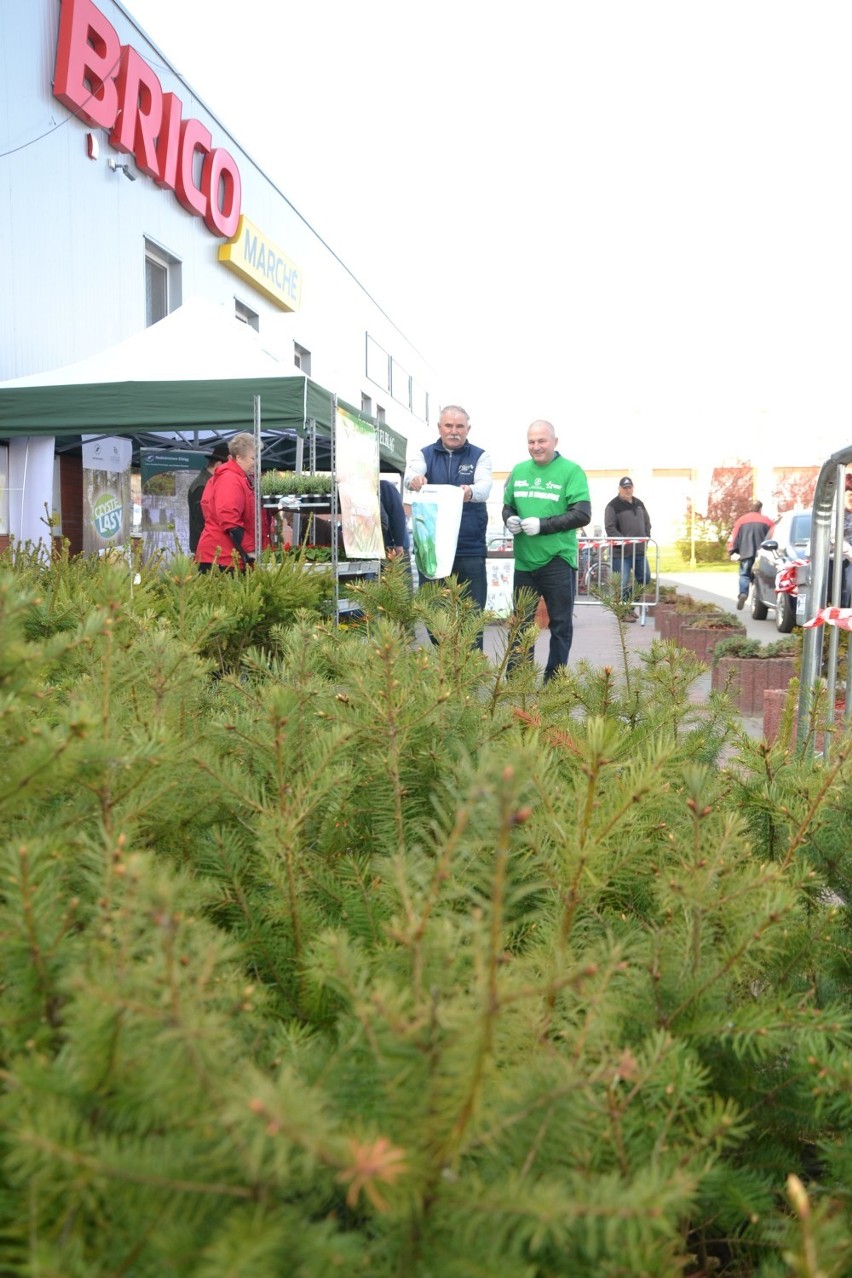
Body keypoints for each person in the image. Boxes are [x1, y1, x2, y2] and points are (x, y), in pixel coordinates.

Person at [502, 420, 591, 682]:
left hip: (557, 560)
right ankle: (518, 679)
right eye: (531, 441)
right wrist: (509, 518)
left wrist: (543, 525)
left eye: (541, 441)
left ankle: (553, 681)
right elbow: (509, 507)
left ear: (554, 441)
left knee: (560, 625)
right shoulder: (518, 471)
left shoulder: (571, 471)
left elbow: (582, 514)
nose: (536, 446)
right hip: (525, 563)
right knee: (520, 625)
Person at [403, 405, 493, 648]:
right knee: (432, 613)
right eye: (449, 426)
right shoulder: (424, 455)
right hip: (432, 550)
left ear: (468, 429)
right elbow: (409, 476)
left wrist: (470, 491)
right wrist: (415, 480)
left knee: (472, 616)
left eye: (459, 426)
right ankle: (445, 663)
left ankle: (470, 678)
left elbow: (485, 488)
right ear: (440, 427)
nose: (454, 431)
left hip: (469, 549)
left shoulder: (480, 456)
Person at [195, 432, 267, 571]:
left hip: (227, 556)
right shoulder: (230, 479)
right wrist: (251, 550)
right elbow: (229, 519)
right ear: (239, 457)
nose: (256, 462)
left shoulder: (239, 478)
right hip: (222, 558)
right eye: (253, 458)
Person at [604, 477, 652, 620]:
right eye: (624, 488)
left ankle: (629, 606)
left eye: (629, 487)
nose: (627, 490)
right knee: (622, 583)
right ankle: (623, 612)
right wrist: (624, 541)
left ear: (633, 488)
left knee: (645, 578)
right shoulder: (612, 506)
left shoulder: (639, 503)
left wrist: (646, 536)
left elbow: (647, 522)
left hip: (639, 551)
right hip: (621, 553)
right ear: (619, 489)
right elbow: (610, 527)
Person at [726, 500, 773, 610]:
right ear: (760, 509)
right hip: (762, 555)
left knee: (744, 575)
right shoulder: (767, 522)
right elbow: (772, 537)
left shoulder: (741, 521)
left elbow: (735, 537)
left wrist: (732, 550)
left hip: (746, 554)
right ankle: (759, 600)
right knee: (759, 577)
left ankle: (743, 593)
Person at [187, 440, 230, 553]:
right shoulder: (202, 486)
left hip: (208, 546)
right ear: (219, 465)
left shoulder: (207, 482)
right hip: (205, 548)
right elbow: (202, 521)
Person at [379, 478, 409, 559]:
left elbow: (398, 514)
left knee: (401, 569)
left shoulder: (384, 487)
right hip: (387, 546)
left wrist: (399, 544)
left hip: (396, 545)